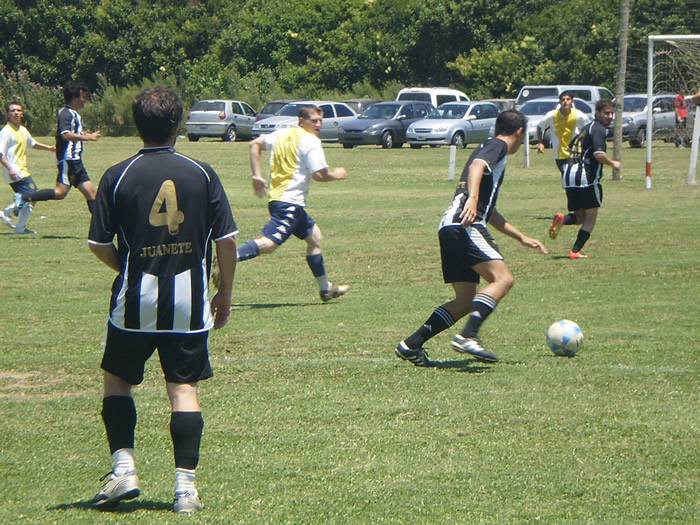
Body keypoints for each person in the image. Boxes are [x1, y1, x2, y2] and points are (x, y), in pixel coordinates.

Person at [87, 86, 238, 514]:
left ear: (137, 124)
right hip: (189, 301)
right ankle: (185, 490)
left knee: (118, 378)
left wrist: (129, 269)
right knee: (183, 387)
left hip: (136, 301)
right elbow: (227, 241)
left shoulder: (117, 175)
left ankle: (124, 471)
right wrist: (224, 292)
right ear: (178, 124)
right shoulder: (202, 172)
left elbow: (98, 243)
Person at [396, 110, 548, 367]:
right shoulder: (498, 145)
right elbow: (477, 167)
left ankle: (411, 345)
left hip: (450, 226)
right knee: (503, 279)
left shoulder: (490, 147)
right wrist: (474, 198)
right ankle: (468, 335)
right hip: (464, 225)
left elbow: (490, 213)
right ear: (520, 131)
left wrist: (521, 237)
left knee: (466, 300)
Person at [237, 104, 349, 301]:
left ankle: (326, 288)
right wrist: (337, 175)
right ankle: (230, 256)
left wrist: (256, 175)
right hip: (289, 202)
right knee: (270, 244)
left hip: (280, 200)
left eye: (320, 121)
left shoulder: (282, 134)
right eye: (314, 121)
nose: (318, 125)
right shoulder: (310, 141)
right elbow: (319, 175)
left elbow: (255, 144)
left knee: (314, 237)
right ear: (301, 120)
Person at [548, 100, 619, 259]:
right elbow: (598, 154)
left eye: (611, 113)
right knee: (591, 218)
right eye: (606, 113)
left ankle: (562, 219)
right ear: (597, 113)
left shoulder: (586, 128)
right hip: (586, 177)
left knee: (580, 217)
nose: (609, 116)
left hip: (569, 175)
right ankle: (575, 251)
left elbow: (569, 147)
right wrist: (613, 163)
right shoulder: (599, 129)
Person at [18, 81, 100, 214]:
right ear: (75, 97)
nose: (85, 100)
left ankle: (99, 225)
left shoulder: (74, 113)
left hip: (76, 160)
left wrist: (83, 134)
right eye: (83, 97)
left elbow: (70, 133)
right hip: (69, 160)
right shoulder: (66, 113)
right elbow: (65, 135)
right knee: (60, 192)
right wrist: (88, 138)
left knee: (91, 194)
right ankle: (24, 197)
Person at [0, 102, 56, 233]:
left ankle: (20, 227)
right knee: (33, 194)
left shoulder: (22, 130)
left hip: (21, 169)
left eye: (18, 110)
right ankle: (6, 212)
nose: (16, 113)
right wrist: (10, 168)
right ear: (7, 114)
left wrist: (49, 148)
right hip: (14, 170)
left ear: (22, 113)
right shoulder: (6, 132)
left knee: (32, 198)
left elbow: (33, 144)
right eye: (13, 111)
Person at [536, 91, 589, 175]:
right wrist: (540, 143)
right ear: (559, 102)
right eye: (563, 99)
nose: (565, 101)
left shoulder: (578, 115)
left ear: (572, 102)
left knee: (571, 175)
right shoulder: (552, 115)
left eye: (568, 99)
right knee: (566, 175)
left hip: (574, 153)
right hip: (559, 153)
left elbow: (588, 128)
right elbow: (540, 127)